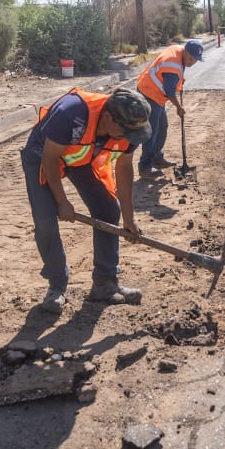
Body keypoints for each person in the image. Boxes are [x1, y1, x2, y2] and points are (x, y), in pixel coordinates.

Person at [21, 86, 152, 315]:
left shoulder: (129, 129)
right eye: (125, 132)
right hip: (43, 156)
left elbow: (123, 167)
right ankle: (57, 286)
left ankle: (104, 283)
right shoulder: (71, 113)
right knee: (45, 219)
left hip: (81, 155)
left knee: (109, 210)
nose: (129, 138)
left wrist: (129, 219)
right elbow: (50, 159)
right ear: (109, 118)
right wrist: (62, 202)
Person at [135, 39, 204, 177]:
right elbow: (169, 91)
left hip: (155, 93)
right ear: (185, 52)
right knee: (152, 131)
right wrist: (179, 107)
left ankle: (157, 158)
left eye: (195, 60)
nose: (191, 62)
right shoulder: (173, 66)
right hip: (149, 93)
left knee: (162, 126)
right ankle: (145, 167)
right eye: (190, 58)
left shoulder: (179, 51)